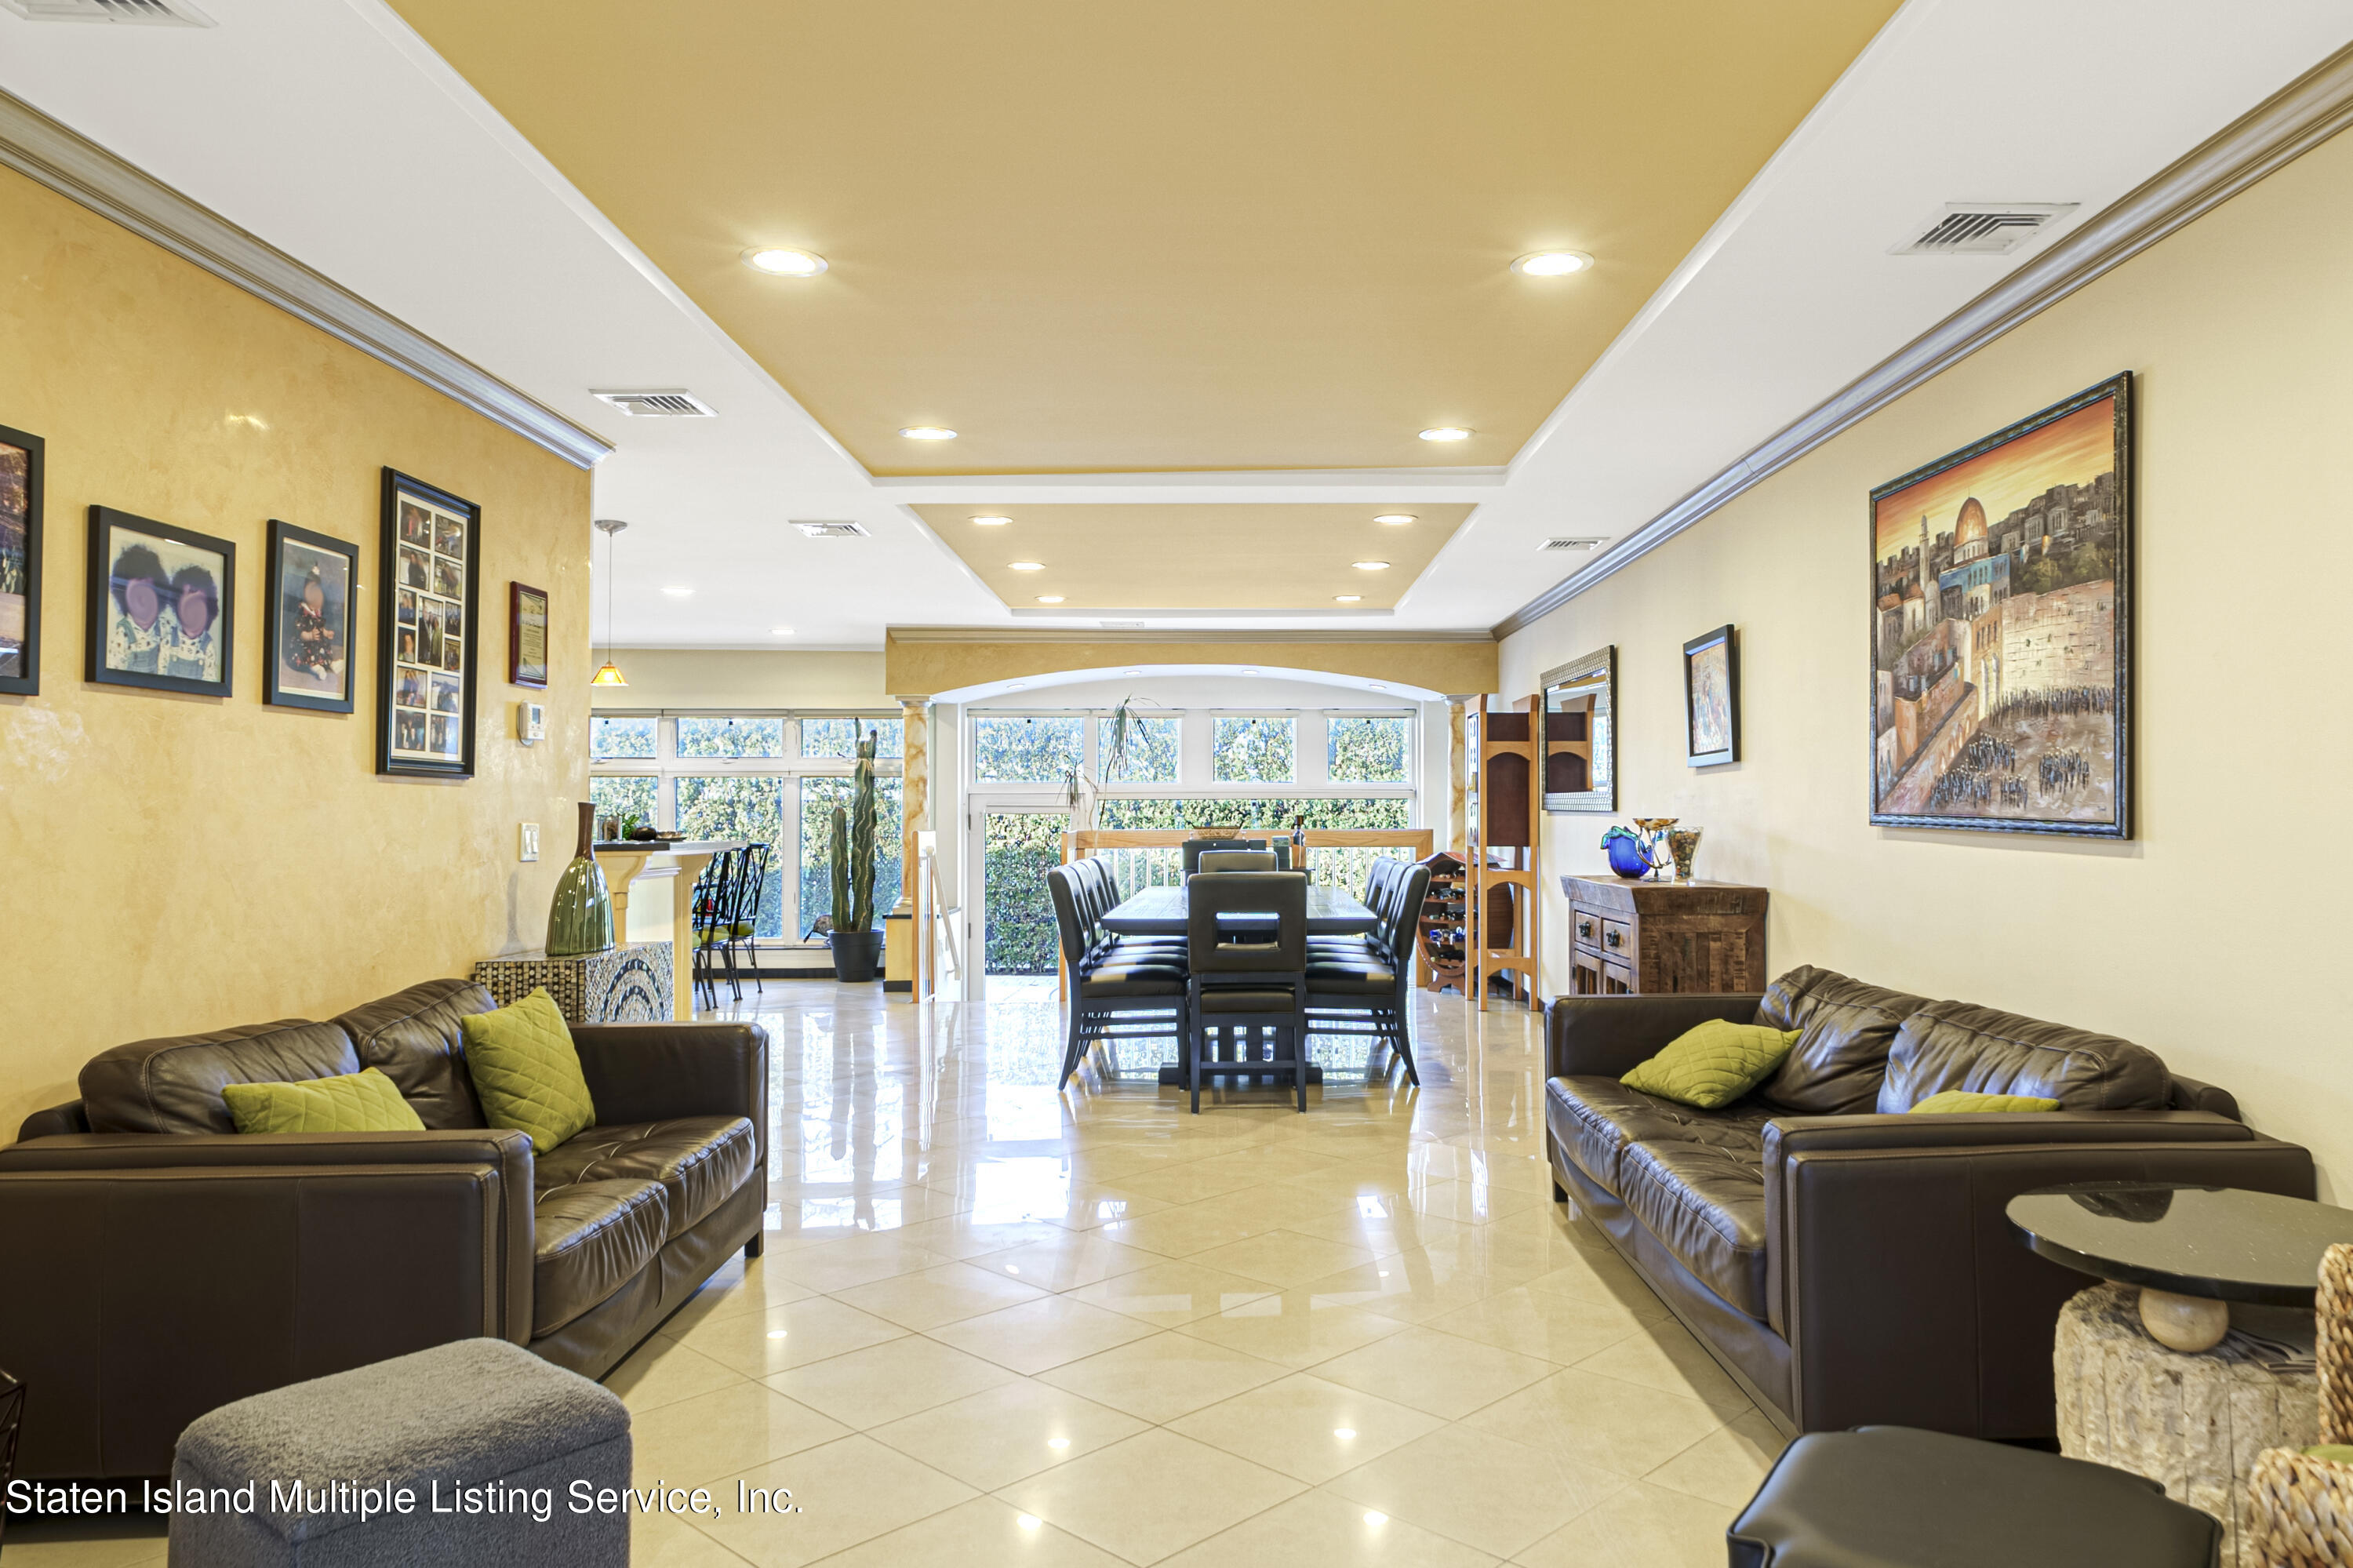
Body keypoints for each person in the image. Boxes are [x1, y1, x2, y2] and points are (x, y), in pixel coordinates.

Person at [104, 543, 171, 675]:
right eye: (135, 592)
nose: (142, 599)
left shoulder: (167, 629)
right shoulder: (122, 636)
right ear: (124, 598)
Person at [160, 563, 220, 682]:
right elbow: (159, 675)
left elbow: (210, 681)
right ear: (177, 605)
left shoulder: (208, 646)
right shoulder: (168, 641)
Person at [289, 569, 338, 678]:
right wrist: (309, 636)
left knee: (324, 645)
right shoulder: (302, 611)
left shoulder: (317, 611)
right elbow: (298, 631)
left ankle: (330, 663)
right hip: (303, 642)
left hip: (316, 641)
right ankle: (315, 667)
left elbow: (320, 626)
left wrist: (326, 633)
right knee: (311, 647)